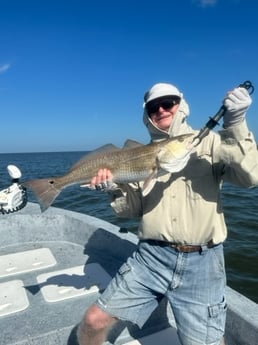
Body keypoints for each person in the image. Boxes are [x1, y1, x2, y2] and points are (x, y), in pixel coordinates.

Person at [77, 82, 258, 345]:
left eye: (168, 103)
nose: (161, 110)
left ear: (181, 105)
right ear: (147, 114)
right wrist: (114, 189)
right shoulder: (135, 154)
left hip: (202, 263)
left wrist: (236, 123)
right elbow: (133, 210)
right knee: (93, 322)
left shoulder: (210, 142)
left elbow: (250, 176)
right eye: (153, 107)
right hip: (149, 257)